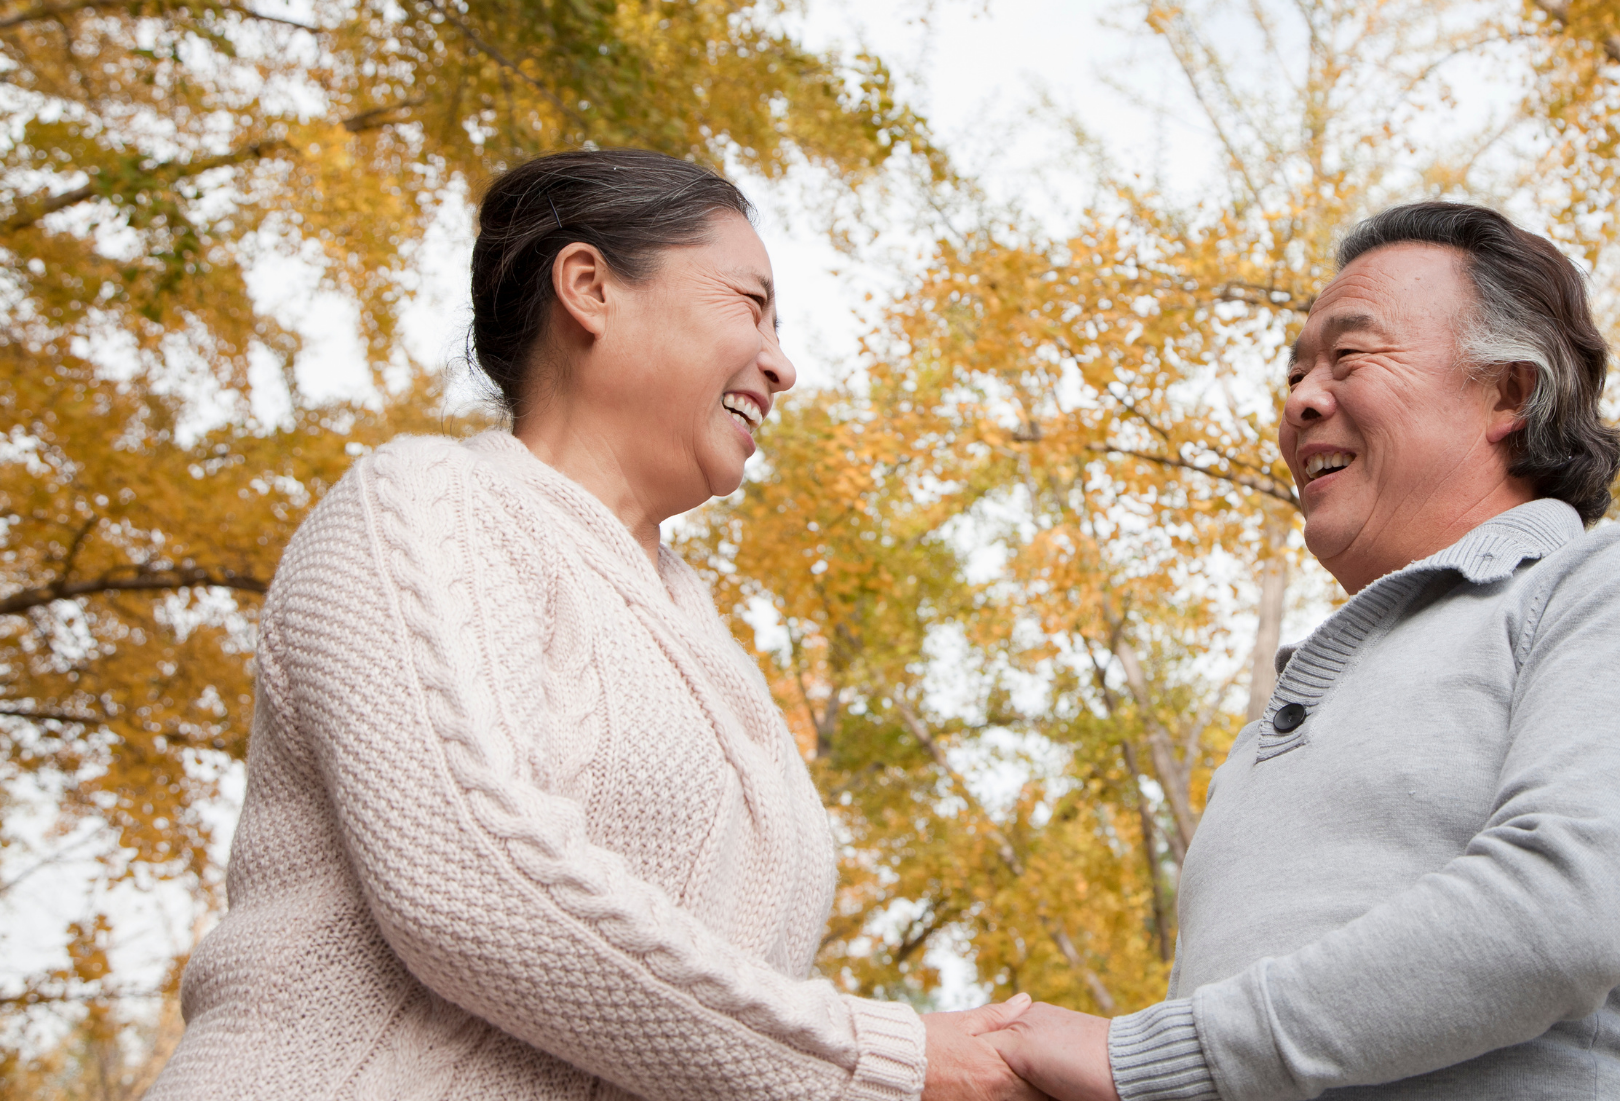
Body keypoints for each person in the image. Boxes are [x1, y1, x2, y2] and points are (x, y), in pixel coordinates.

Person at [150, 150, 1040, 1100]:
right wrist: (885, 1061)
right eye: (750, 304)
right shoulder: (427, 507)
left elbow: (709, 1027)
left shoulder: (706, 644)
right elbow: (466, 877)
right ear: (590, 288)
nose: (783, 363)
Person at [979, 201, 1620, 1101]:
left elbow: (1561, 912)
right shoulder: (1271, 734)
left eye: (1350, 357)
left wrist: (1147, 1059)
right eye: (1295, 373)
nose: (1301, 400)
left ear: (1510, 393)